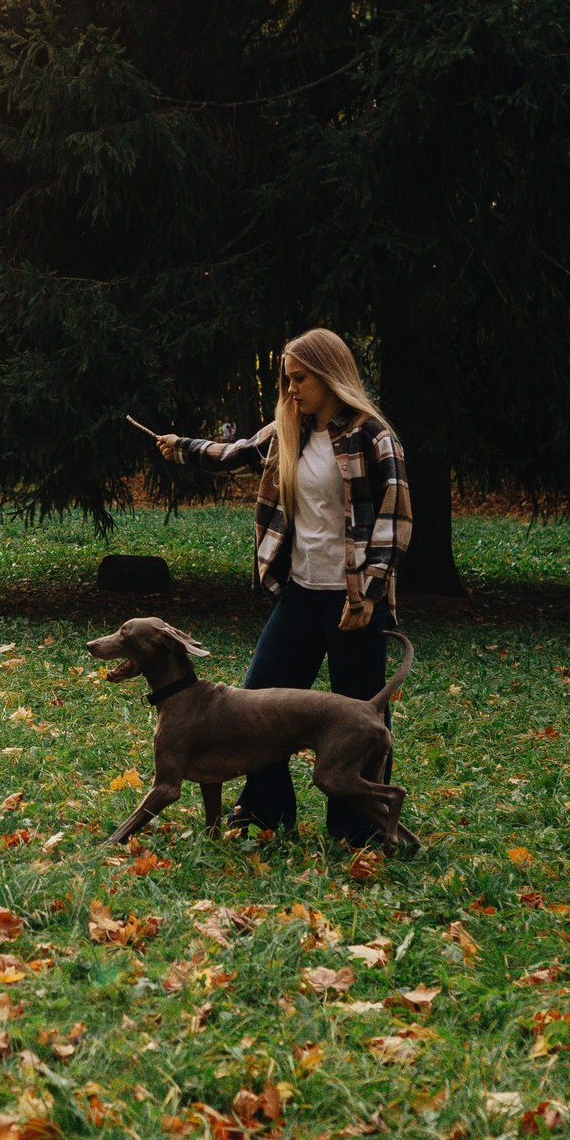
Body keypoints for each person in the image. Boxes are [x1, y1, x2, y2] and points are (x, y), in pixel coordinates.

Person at [157, 328, 415, 851]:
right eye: (286, 379)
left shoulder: (372, 434)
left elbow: (393, 518)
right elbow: (232, 453)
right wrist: (180, 447)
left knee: (360, 713)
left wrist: (367, 591)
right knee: (256, 704)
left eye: (299, 379)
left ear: (328, 375)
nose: (290, 389)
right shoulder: (287, 430)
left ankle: (361, 829)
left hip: (355, 600)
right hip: (299, 593)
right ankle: (263, 813)